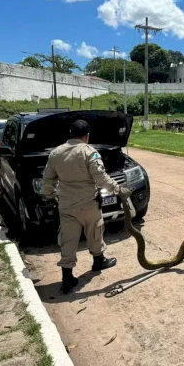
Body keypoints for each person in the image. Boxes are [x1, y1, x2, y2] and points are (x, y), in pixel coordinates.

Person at [41, 119, 132, 294]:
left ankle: (67, 278)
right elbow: (101, 179)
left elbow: (48, 179)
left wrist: (49, 195)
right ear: (87, 136)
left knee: (68, 240)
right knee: (95, 232)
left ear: (70, 134)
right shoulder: (89, 152)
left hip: (66, 205)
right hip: (89, 204)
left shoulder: (56, 153)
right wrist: (119, 190)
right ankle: (98, 261)